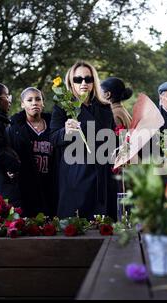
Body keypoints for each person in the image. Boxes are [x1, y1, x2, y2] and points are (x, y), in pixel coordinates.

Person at [50, 61, 117, 220]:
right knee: (78, 227)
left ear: (94, 81)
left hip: (104, 176)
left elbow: (113, 138)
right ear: (70, 82)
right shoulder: (63, 107)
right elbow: (53, 138)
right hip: (77, 175)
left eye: (88, 79)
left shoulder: (105, 108)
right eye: (78, 79)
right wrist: (65, 131)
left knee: (104, 227)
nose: (84, 83)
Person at [8, 87, 56, 217]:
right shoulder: (15, 129)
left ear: (43, 103)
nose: (34, 102)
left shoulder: (54, 126)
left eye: (38, 99)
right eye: (29, 100)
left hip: (50, 185)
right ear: (23, 104)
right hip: (26, 186)